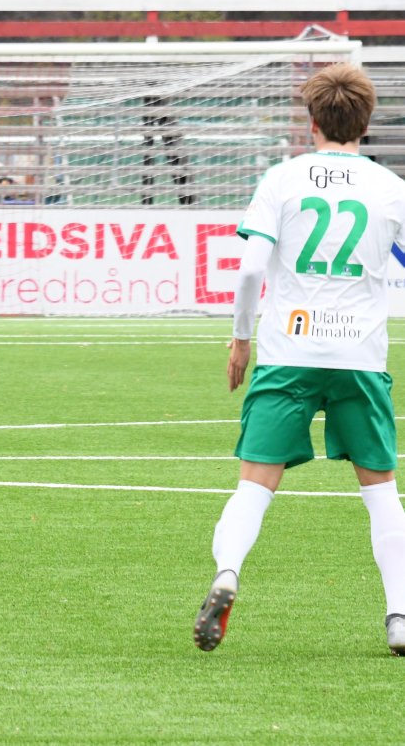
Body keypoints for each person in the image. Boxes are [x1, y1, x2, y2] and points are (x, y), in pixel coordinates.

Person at [194, 63, 405, 655]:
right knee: (381, 491)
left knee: (254, 485)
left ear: (312, 121)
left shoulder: (283, 179)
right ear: (366, 122)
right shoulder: (390, 188)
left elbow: (251, 270)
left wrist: (241, 338)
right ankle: (399, 616)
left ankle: (228, 574)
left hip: (289, 349)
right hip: (359, 356)